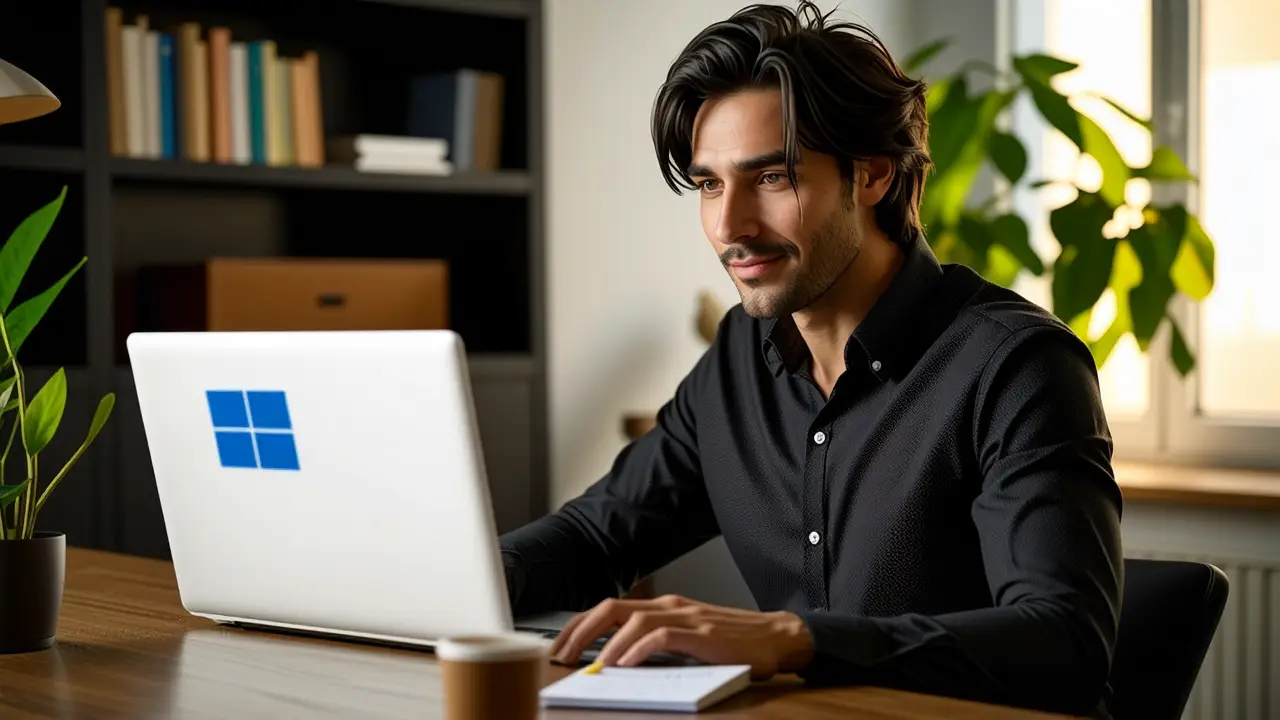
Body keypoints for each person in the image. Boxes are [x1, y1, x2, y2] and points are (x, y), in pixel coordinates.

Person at [498, 2, 1123, 717]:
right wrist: (455, 578)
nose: (729, 226)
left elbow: (1064, 641)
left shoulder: (1017, 366)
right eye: (709, 184)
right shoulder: (739, 355)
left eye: (772, 178)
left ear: (874, 177)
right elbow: (594, 536)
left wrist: (795, 639)